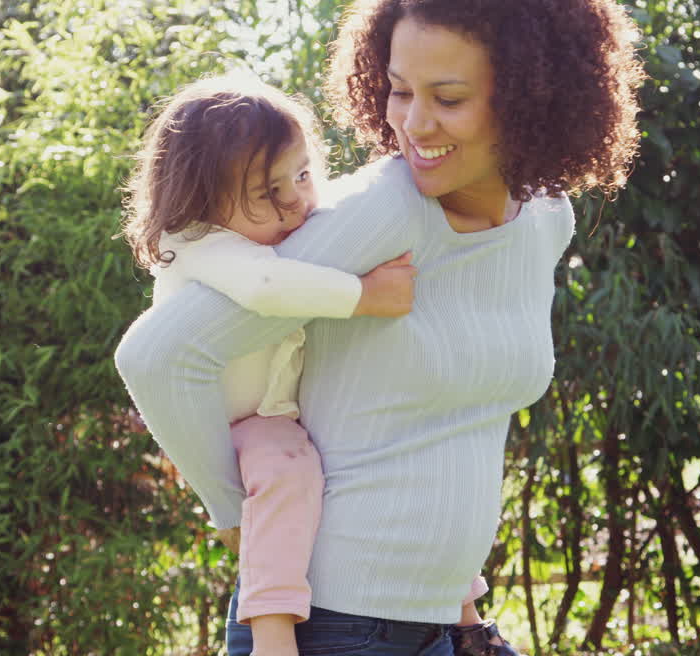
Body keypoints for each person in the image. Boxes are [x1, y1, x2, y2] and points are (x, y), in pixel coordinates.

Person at [115, 0, 644, 654]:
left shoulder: (547, 218)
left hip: (446, 626)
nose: (413, 125)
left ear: (530, 99)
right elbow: (158, 355)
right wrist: (236, 507)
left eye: (447, 97)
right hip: (329, 624)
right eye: (399, 90)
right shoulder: (379, 213)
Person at [121, 73, 489, 656]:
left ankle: (463, 607)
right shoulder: (197, 241)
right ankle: (270, 631)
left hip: (287, 412)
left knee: (383, 452)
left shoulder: (280, 230)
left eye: (302, 175)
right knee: (287, 472)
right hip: (246, 424)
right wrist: (365, 296)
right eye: (268, 192)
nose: (296, 199)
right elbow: (268, 288)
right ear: (201, 198)